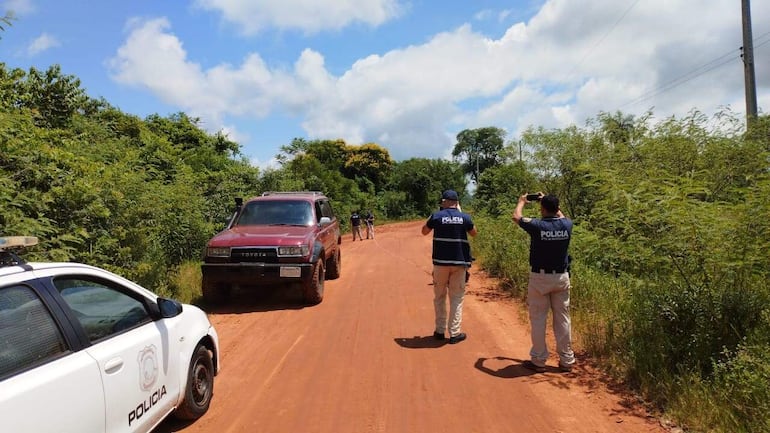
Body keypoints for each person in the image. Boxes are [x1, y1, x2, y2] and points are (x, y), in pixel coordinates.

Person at [513, 192, 576, 373]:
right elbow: (561, 216)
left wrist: (521, 201)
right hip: (561, 277)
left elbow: (516, 216)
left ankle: (539, 360)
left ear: (542, 209)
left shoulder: (537, 226)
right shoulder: (567, 224)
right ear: (557, 208)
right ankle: (566, 360)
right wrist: (545, 200)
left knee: (539, 319)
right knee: (563, 319)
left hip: (540, 278)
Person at [422, 190, 477, 344]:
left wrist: (433, 216)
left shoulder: (436, 216)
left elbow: (424, 232)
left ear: (445, 201)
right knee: (457, 298)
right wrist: (461, 214)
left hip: (440, 263)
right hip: (459, 264)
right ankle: (454, 333)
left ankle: (439, 331)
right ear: (457, 202)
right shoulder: (465, 217)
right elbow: (474, 233)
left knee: (439, 297)